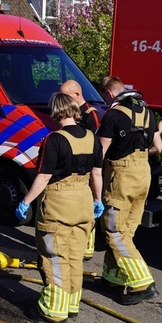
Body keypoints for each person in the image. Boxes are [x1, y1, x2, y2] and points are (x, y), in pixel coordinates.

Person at [15, 93, 104, 322]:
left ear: (55, 113)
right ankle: (72, 304)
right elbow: (97, 173)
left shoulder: (54, 140)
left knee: (54, 255)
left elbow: (44, 177)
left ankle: (54, 309)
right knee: (75, 256)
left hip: (59, 204)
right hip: (84, 201)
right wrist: (98, 200)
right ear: (75, 110)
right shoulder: (92, 137)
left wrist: (25, 202)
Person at [93, 76, 162, 305]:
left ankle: (143, 284)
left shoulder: (112, 115)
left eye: (104, 97)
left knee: (114, 232)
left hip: (121, 177)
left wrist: (91, 178)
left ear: (110, 94)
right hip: (143, 175)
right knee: (126, 232)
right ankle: (112, 278)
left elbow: (101, 151)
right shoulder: (148, 113)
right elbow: (157, 147)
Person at [60, 79, 101, 259]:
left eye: (65, 96)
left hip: (88, 168)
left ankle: (87, 247)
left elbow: (97, 145)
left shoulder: (91, 115)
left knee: (88, 209)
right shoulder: (71, 112)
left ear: (77, 95)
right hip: (73, 169)